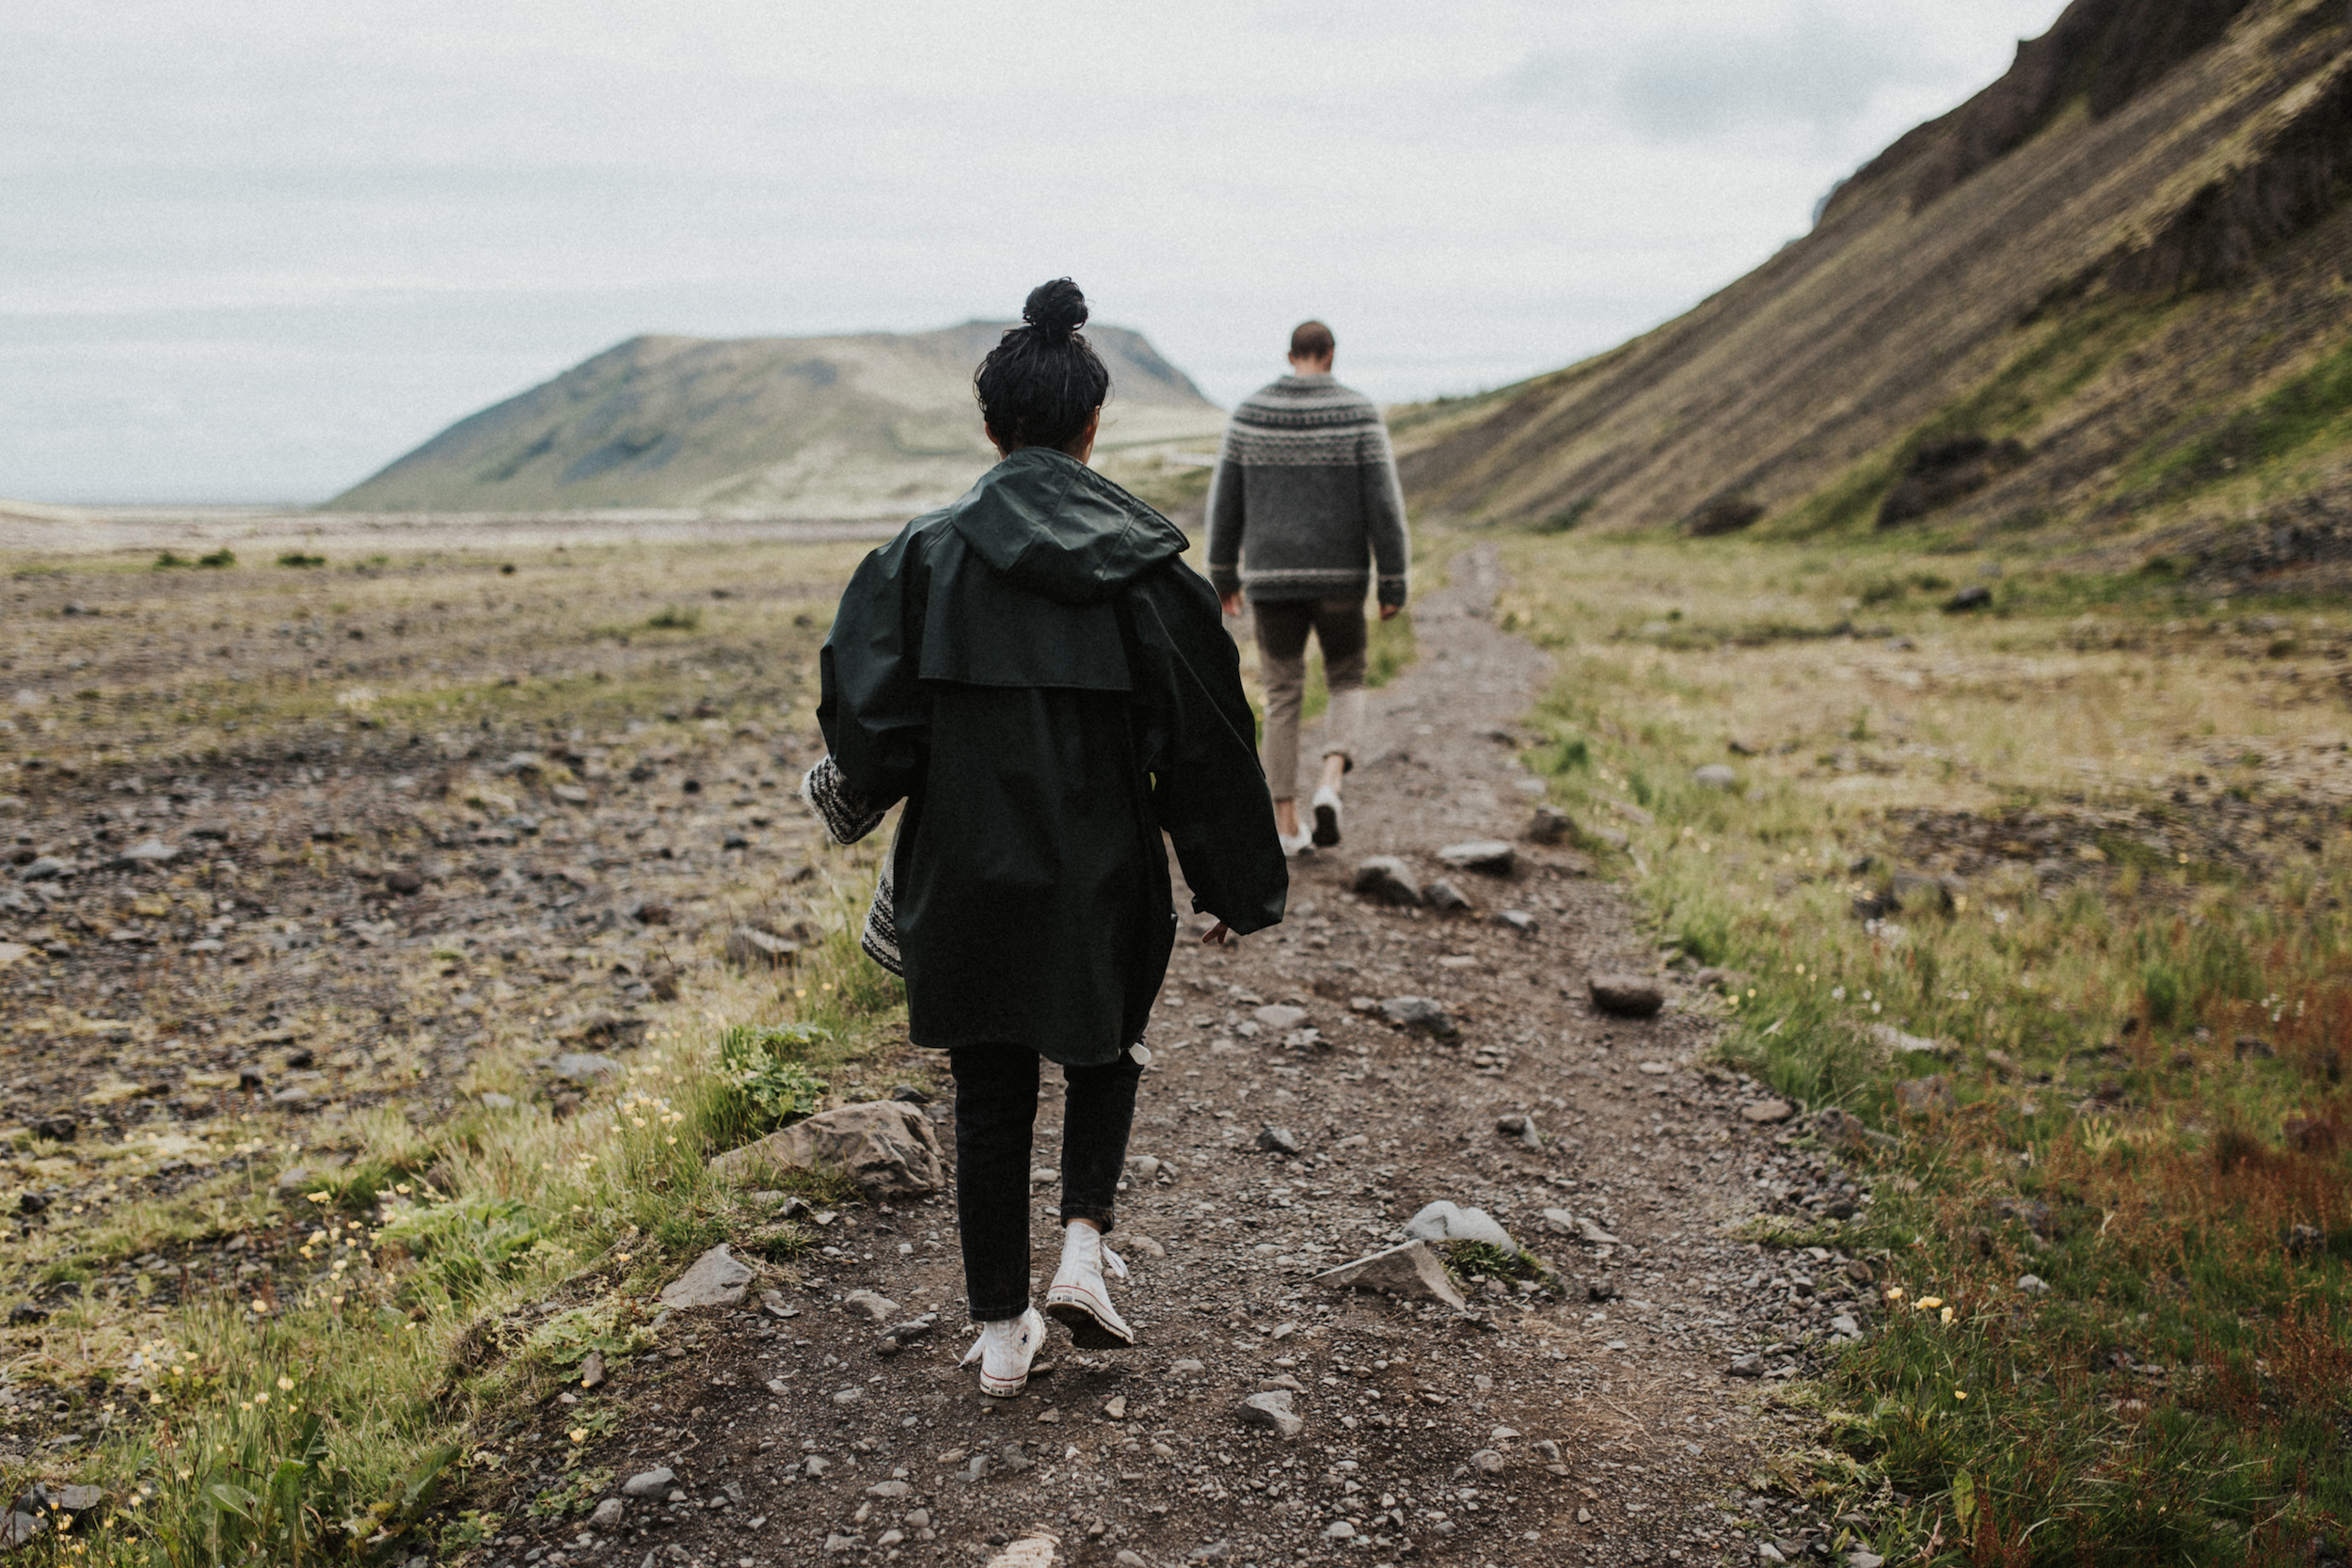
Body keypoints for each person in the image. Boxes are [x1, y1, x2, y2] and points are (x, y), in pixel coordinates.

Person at [801, 278, 1287, 1399]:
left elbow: (868, 725)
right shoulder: (1154, 573)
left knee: (987, 1089)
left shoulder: (917, 559)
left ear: (991, 427)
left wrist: (851, 793)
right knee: (1104, 1042)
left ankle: (1000, 1331)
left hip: (963, 867)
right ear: (1090, 424)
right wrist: (1230, 879)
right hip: (1106, 862)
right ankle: (1082, 1249)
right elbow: (1210, 737)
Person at [1204, 320, 1410, 855]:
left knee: (1282, 694)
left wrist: (1223, 574)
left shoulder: (1249, 412)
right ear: (1331, 354)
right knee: (1346, 679)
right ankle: (1331, 782)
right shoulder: (1359, 412)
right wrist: (1393, 581)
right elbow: (1384, 507)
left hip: (1271, 583)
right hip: (1342, 579)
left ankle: (1287, 823)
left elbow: (1225, 501)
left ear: (1290, 354)